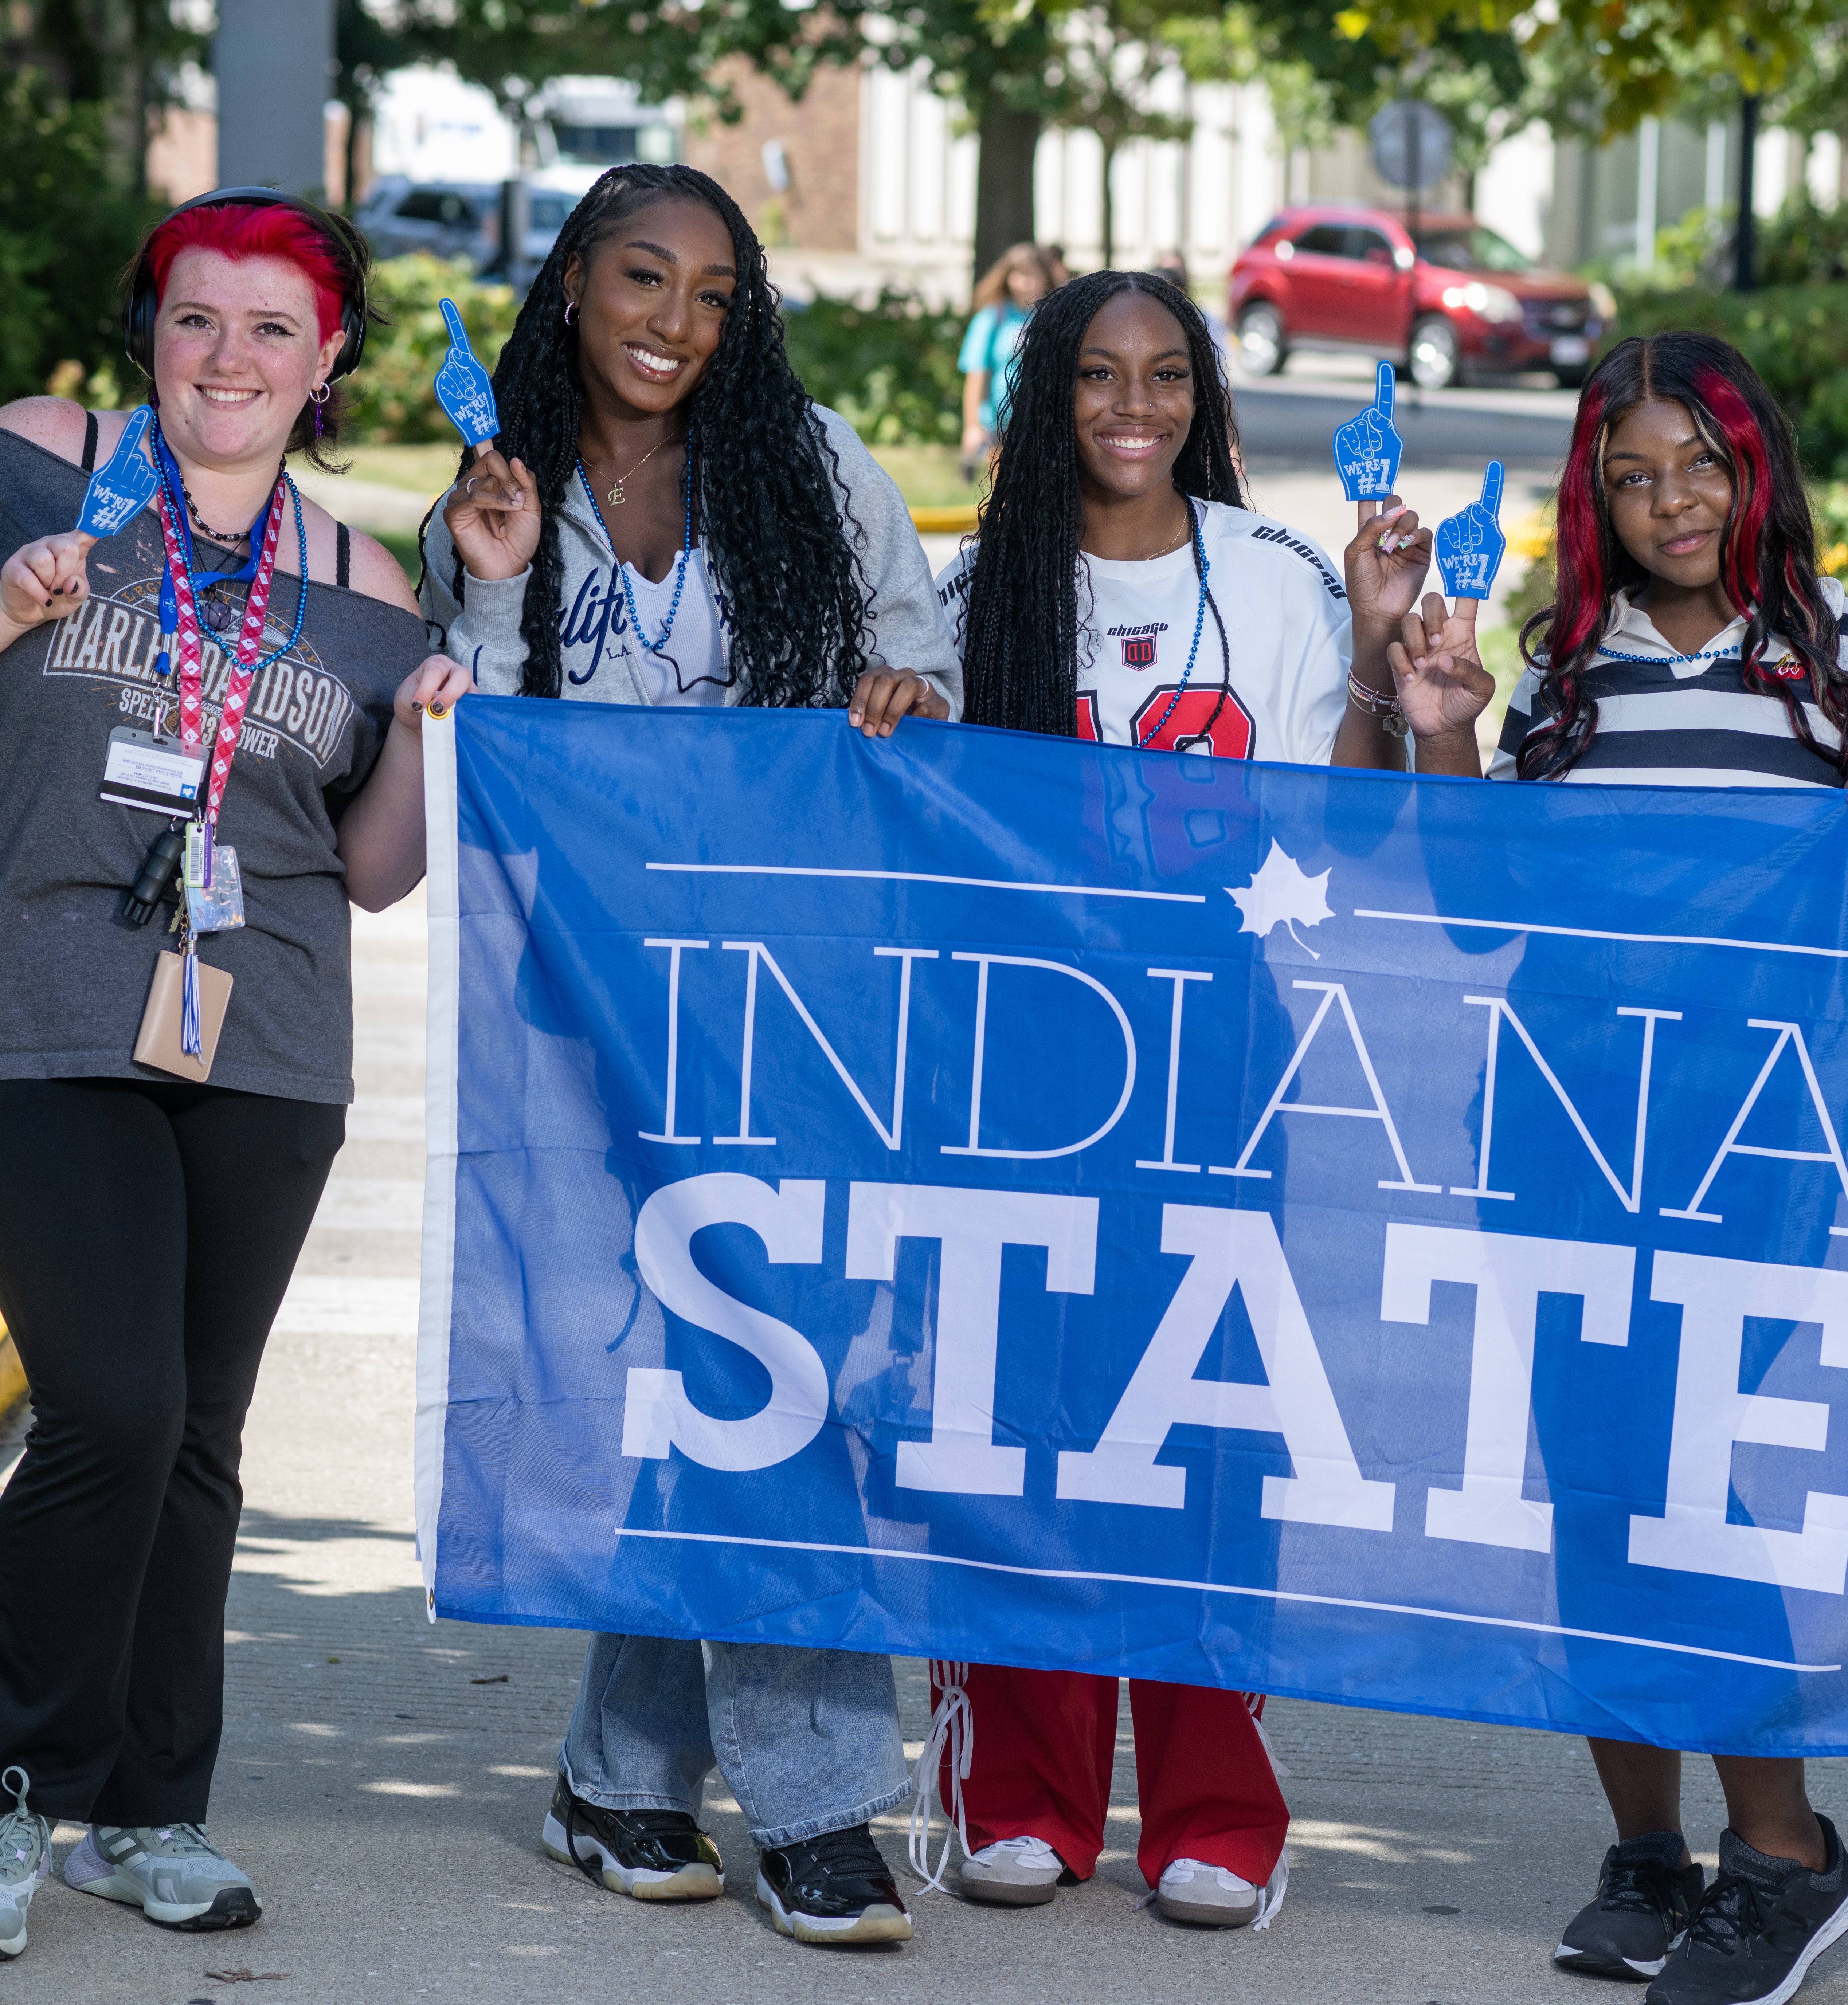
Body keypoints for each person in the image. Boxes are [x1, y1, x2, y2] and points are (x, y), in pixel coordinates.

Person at [0, 188, 473, 1962]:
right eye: (195, 317)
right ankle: (8, 1802)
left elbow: (378, 864)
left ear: (326, 360)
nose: (228, 356)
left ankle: (152, 1810)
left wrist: (423, 736)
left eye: (272, 327)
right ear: (149, 331)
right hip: (34, 1013)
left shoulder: (363, 580)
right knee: (107, 1404)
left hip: (263, 1042)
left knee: (196, 1434)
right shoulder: (36, 466)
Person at [420, 160, 956, 1949]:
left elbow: (919, 659)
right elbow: (482, 752)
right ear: (575, 279)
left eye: (713, 293)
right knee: (724, 1369)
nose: (673, 321)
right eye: (642, 278)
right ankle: (743, 1794)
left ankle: (671, 1780)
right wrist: (495, 589)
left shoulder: (806, 462)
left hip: (787, 1004)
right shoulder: (499, 489)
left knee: (758, 1361)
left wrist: (901, 693)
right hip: (587, 1008)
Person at [1381, 327, 1848, 2005]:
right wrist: (1435, 735)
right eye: (1628, 476)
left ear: (1755, 461)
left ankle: (1784, 1854)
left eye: (1698, 462)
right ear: (1591, 499)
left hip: (1754, 1138)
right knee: (1592, 1485)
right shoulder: (1559, 679)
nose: (1668, 499)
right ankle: (1648, 1853)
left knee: (1690, 1474)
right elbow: (1478, 917)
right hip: (1550, 1117)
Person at [928, 267, 1425, 1926]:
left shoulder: (1273, 580)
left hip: (1218, 1052)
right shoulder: (969, 588)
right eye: (1093, 375)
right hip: (1018, 1059)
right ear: (1045, 395)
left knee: (1202, 1419)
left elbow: (1339, 832)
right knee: (1020, 1420)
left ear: (1198, 398)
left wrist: (1367, 649)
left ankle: (1215, 1807)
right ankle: (1022, 1789)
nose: (1128, 405)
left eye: (1160, 375)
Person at [959, 243, 1054, 483]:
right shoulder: (993, 317)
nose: (1026, 283)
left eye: (1033, 274)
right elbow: (976, 373)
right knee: (1005, 487)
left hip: (1046, 419)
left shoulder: (1056, 317)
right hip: (1000, 421)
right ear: (1007, 277)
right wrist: (972, 426)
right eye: (1020, 275)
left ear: (1046, 276)